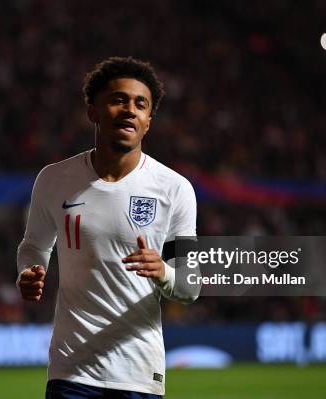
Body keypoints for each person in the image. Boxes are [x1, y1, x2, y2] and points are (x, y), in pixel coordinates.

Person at [16, 56, 198, 398]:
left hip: (138, 373)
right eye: (118, 100)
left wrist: (164, 272)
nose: (130, 109)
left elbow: (191, 284)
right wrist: (28, 270)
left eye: (140, 104)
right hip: (71, 371)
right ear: (93, 112)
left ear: (148, 122)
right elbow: (34, 245)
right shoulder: (54, 180)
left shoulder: (175, 190)